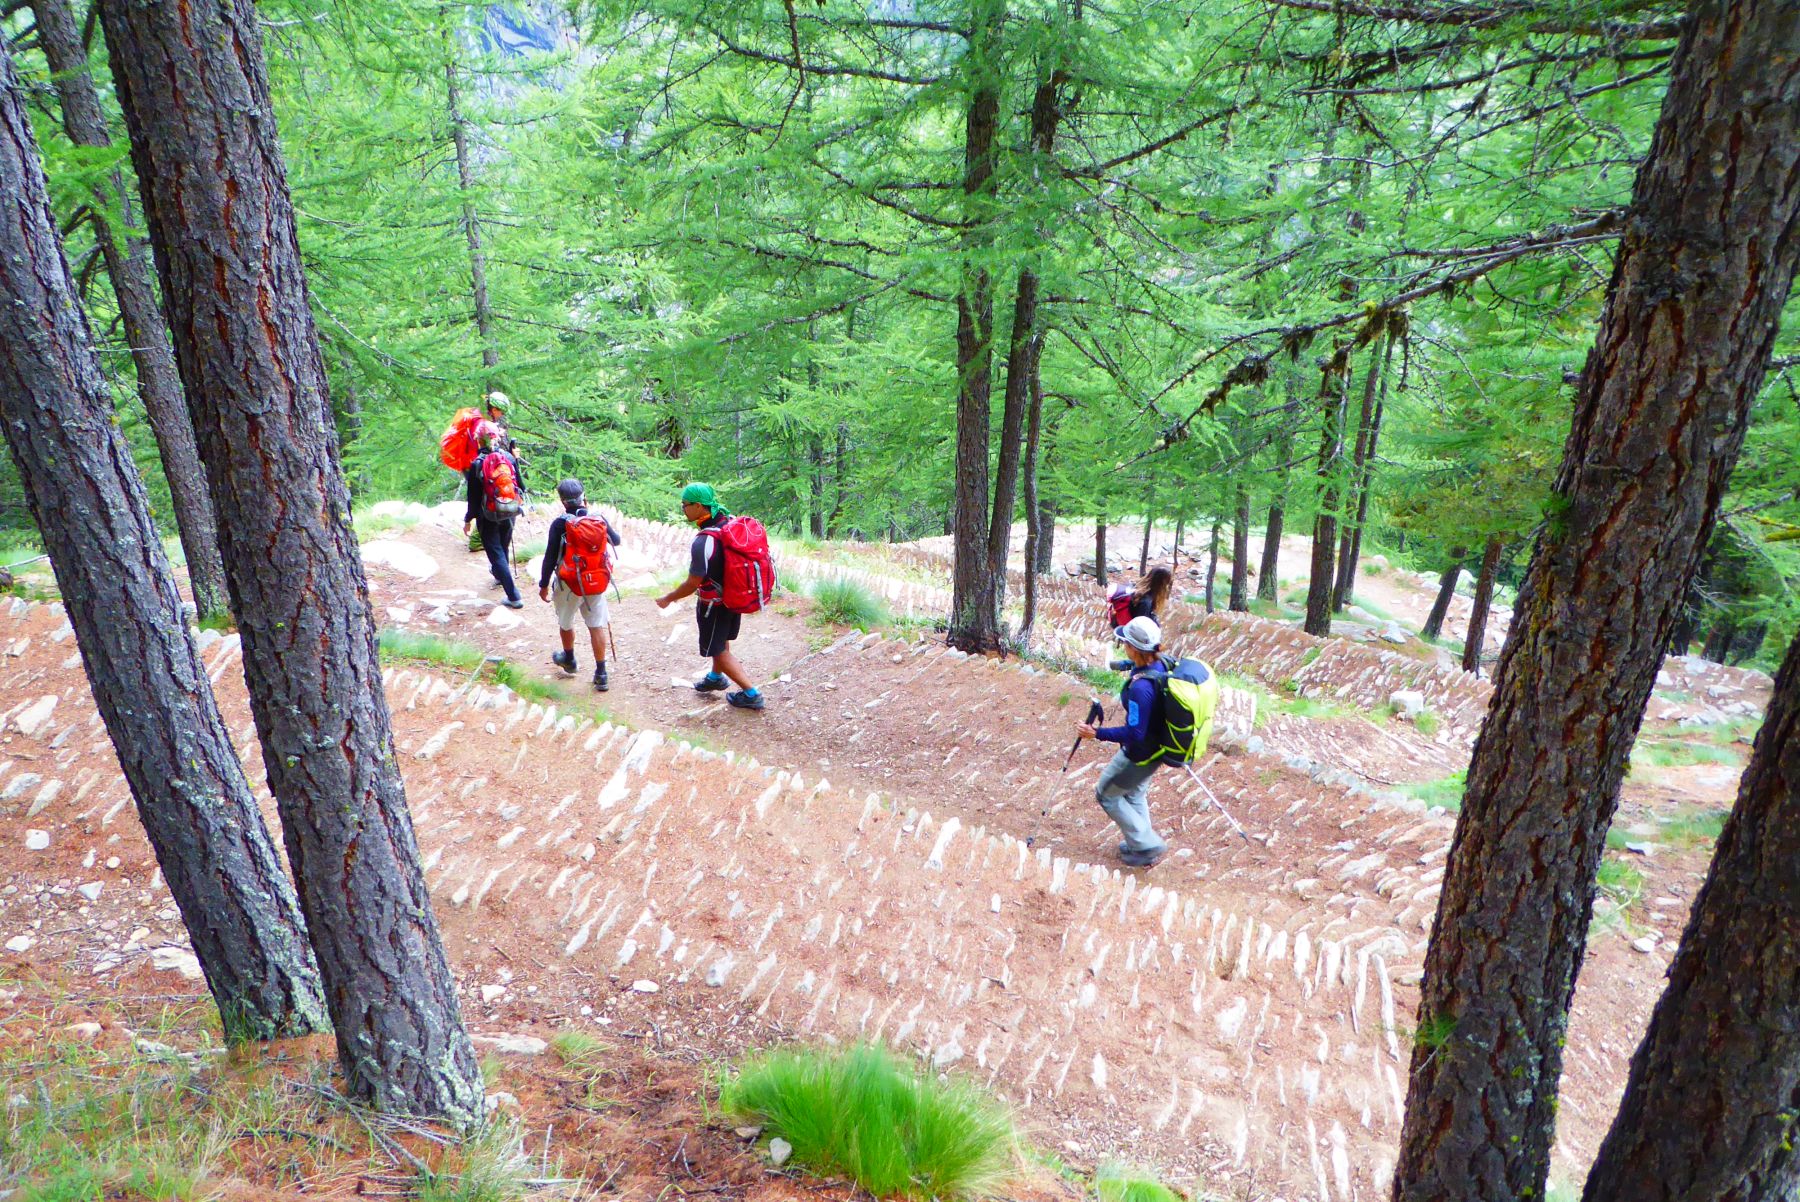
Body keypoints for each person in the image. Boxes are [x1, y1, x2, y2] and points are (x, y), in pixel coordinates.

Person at [654, 482, 765, 711]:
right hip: (734, 597)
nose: (683, 509)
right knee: (720, 641)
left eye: (685, 505)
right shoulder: (728, 522)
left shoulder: (703, 541)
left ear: (698, 506)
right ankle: (715, 677)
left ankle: (751, 693)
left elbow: (693, 582)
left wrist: (669, 598)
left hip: (713, 605)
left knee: (718, 650)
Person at [1077, 616, 1172, 868]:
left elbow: (1134, 733)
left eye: (1125, 643)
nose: (1122, 646)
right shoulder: (1161, 665)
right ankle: (1140, 845)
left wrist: (1096, 733)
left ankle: (1146, 844)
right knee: (1134, 794)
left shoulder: (1141, 689)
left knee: (1106, 794)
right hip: (1158, 749)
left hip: (1138, 754)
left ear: (1133, 648)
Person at [539, 478, 621, 692]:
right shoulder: (598, 519)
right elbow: (617, 540)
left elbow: (550, 557)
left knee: (566, 622)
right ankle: (601, 673)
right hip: (596, 580)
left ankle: (570, 659)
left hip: (569, 582)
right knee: (596, 625)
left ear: (563, 501)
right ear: (584, 496)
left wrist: (544, 584)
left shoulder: (560, 523)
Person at [463, 423, 524, 609]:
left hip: (487, 514)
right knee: (502, 547)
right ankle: (499, 575)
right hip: (509, 509)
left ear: (479, 439)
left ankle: (513, 596)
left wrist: (468, 520)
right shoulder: (507, 457)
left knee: (496, 552)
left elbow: (473, 499)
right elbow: (521, 486)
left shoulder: (476, 464)